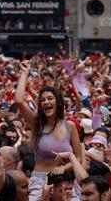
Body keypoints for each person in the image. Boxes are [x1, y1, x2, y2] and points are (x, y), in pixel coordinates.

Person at [15, 60, 83, 200]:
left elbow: (78, 157)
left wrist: (64, 168)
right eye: (43, 100)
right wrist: (24, 73)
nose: (46, 102)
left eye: (50, 99)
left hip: (66, 182)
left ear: (58, 102)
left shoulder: (70, 126)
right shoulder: (36, 123)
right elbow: (19, 101)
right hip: (40, 181)